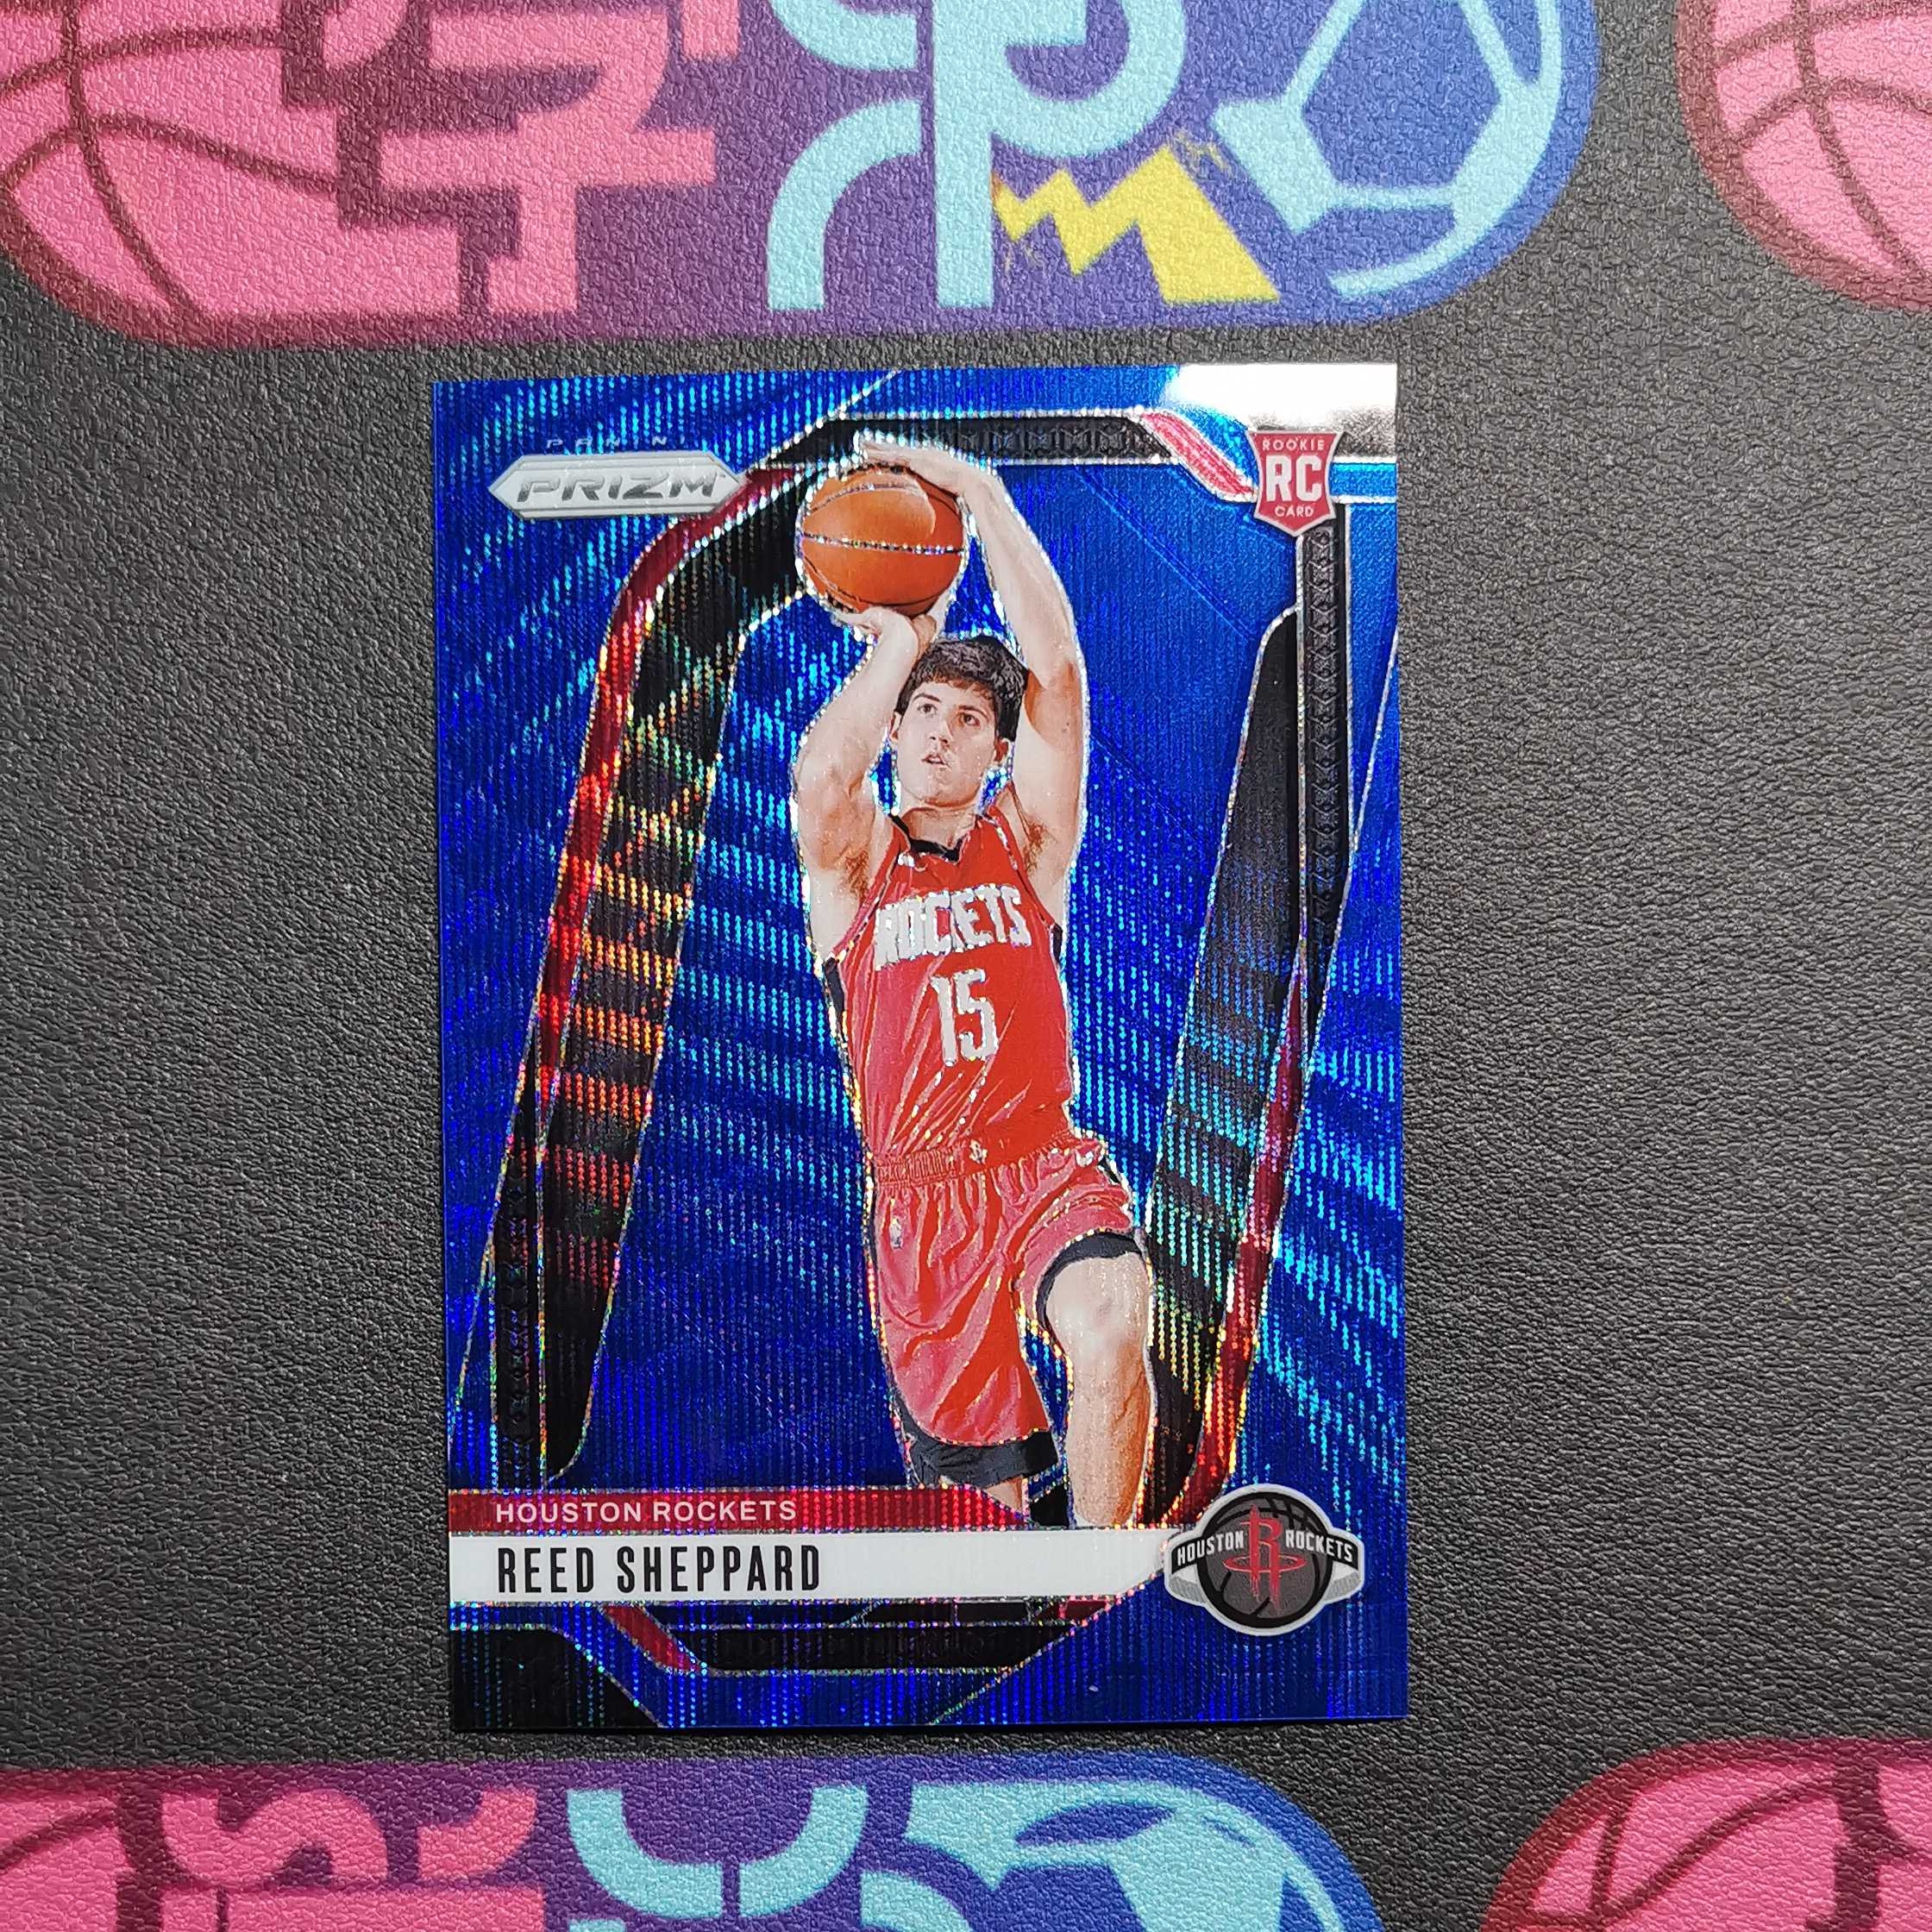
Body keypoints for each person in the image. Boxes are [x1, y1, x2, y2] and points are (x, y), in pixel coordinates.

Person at [790, 436, 1155, 1527]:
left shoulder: (1025, 842)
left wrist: (983, 495)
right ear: (895, 728)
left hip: (1041, 1162)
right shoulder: (856, 865)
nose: (942, 733)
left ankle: (1109, 1588)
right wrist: (900, 643)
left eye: (969, 718)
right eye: (925, 712)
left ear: (998, 750)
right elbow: (820, 777)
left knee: (1111, 1331)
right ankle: (1023, 1607)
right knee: (979, 1535)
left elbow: (1059, 672)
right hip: (920, 1204)